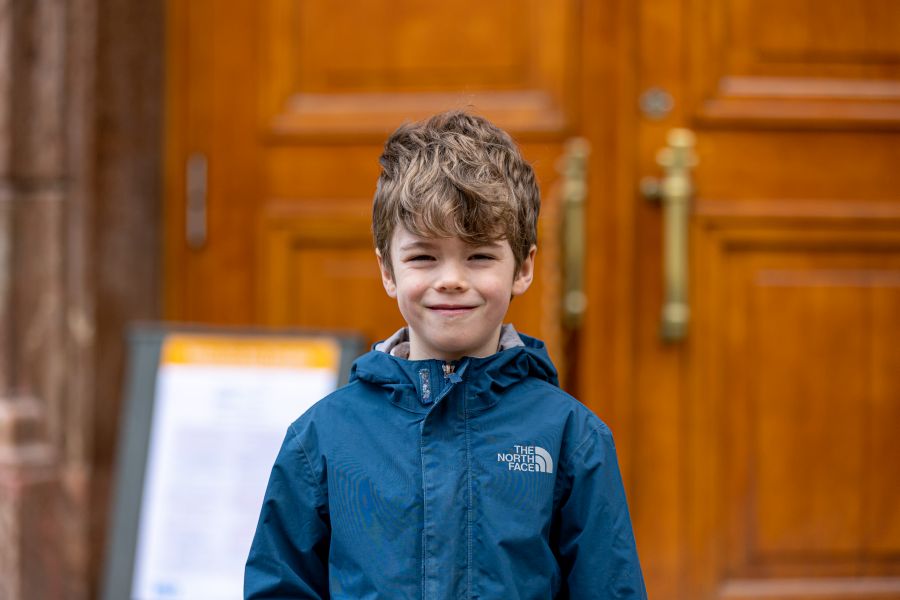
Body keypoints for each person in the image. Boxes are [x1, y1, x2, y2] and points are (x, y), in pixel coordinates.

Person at [244, 110, 647, 599]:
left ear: (523, 267)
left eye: (479, 255)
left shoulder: (571, 437)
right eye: (423, 256)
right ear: (388, 270)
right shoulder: (324, 437)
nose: (451, 278)